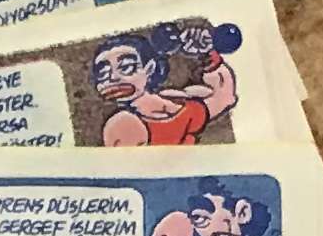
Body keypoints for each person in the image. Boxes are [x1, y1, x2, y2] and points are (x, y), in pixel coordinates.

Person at [88, 24, 234, 147]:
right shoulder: (123, 124)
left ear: (150, 68)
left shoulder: (178, 99)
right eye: (103, 73)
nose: (113, 78)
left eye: (126, 67)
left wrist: (207, 52)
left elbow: (224, 98)